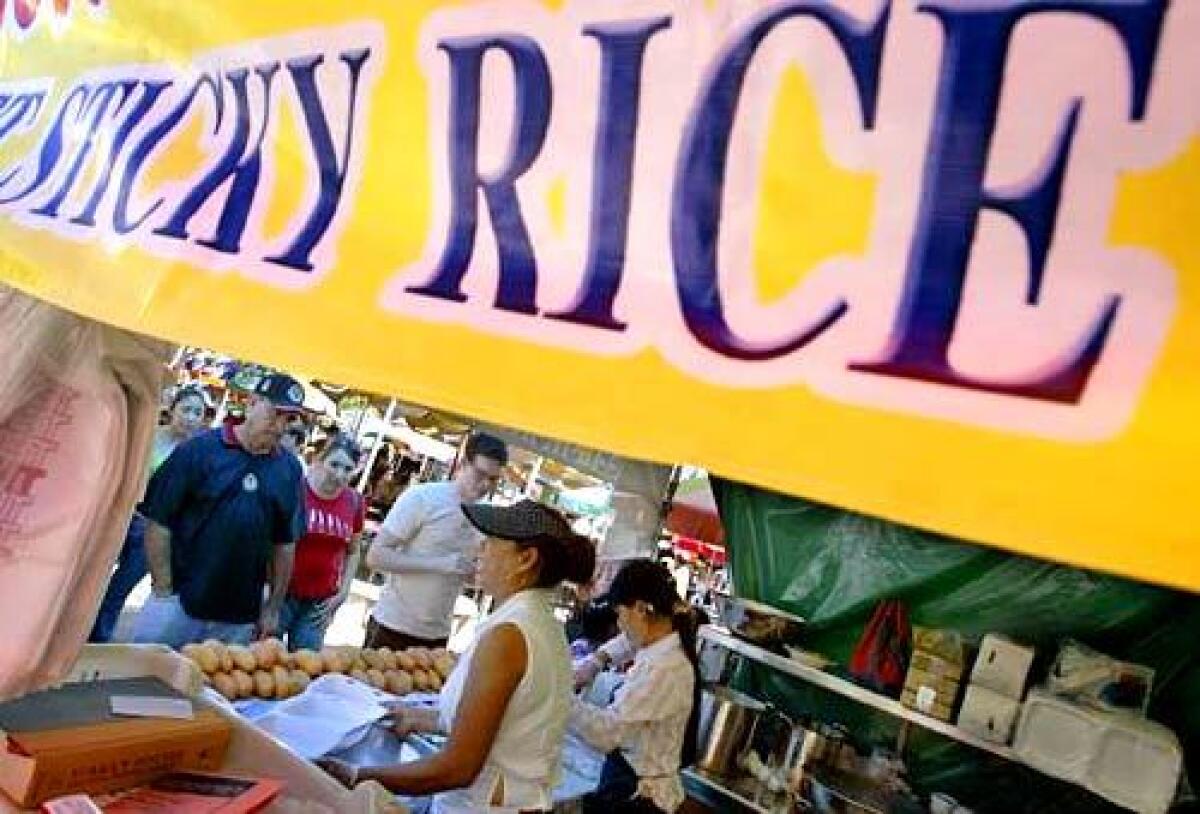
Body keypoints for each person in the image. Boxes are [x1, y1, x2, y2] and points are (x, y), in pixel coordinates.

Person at [319, 499, 597, 813]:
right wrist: (426, 718)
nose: (479, 550)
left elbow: (458, 769)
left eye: (491, 543)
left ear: (526, 559)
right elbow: (501, 724)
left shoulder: (511, 634)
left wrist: (357, 776)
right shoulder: (541, 623)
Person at [130, 373, 307, 648]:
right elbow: (159, 520)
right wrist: (163, 589)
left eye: (288, 419)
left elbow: (284, 544)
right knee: (141, 682)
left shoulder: (290, 471)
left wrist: (273, 606)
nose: (280, 426)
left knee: (215, 689)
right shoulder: (199, 450)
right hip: (179, 604)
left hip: (238, 619)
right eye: (275, 414)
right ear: (251, 403)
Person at [569, 560, 702, 814]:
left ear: (641, 609)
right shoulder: (663, 638)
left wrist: (558, 699)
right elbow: (629, 640)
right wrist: (596, 661)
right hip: (630, 780)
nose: (619, 623)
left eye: (619, 614)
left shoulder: (665, 668)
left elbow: (607, 733)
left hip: (641, 799)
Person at [363, 432, 508, 650]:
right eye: (480, 474)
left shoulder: (486, 516)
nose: (485, 485)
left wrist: (476, 575)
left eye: (493, 479)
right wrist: (441, 564)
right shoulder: (423, 498)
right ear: (463, 464)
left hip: (438, 636)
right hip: (392, 626)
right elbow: (376, 556)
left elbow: (465, 575)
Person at [89, 386, 209, 643]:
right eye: (186, 409)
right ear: (172, 409)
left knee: (118, 590)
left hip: (155, 532)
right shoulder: (149, 438)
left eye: (197, 412)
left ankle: (97, 640)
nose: (191, 417)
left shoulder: (199, 454)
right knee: (92, 579)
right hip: (122, 518)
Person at [279, 437, 366, 651]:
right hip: (281, 594)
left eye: (348, 469)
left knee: (305, 669)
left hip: (319, 603)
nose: (339, 474)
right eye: (334, 465)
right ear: (319, 461)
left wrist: (344, 591)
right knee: (263, 665)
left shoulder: (354, 502)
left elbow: (353, 551)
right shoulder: (294, 491)